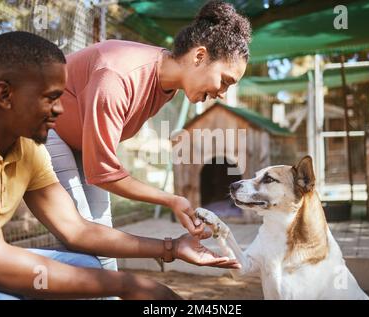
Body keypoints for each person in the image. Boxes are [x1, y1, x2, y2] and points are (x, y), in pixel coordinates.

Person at [0, 31, 240, 300]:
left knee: (88, 264)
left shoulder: (27, 149)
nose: (60, 110)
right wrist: (128, 286)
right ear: (4, 95)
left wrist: (171, 248)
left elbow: (77, 230)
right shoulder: (116, 75)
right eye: (50, 98)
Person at [47, 0, 252, 271]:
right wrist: (170, 199)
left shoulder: (168, 85)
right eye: (224, 80)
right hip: (47, 130)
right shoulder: (117, 77)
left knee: (101, 234)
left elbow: (99, 167)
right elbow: (102, 172)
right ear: (199, 56)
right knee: (84, 236)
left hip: (80, 143)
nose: (222, 93)